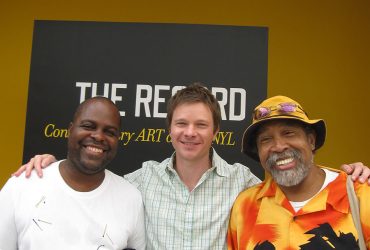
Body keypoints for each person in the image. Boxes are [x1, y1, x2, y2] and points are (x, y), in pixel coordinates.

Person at [12, 84, 370, 249]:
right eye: (182, 123)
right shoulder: (138, 182)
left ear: (216, 131)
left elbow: (302, 181)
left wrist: (350, 174)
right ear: (168, 129)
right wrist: (47, 166)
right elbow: (90, 181)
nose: (190, 133)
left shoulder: (245, 187)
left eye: (201, 125)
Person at [0, 97, 146, 250]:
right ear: (70, 130)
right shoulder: (23, 185)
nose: (98, 136)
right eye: (89, 126)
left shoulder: (131, 199)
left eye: (109, 132)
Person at [227, 95, 370, 249]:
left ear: (311, 140)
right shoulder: (246, 206)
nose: (279, 146)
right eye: (266, 139)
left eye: (288, 133)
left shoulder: (359, 195)